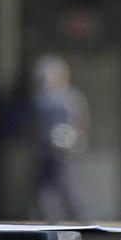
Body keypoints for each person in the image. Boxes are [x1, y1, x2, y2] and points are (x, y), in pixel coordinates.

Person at [29, 54, 91, 222]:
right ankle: (49, 219)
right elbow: (35, 124)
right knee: (45, 190)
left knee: (70, 186)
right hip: (46, 150)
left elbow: (82, 121)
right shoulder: (41, 98)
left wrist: (72, 137)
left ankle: (82, 220)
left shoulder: (71, 97)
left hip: (65, 152)